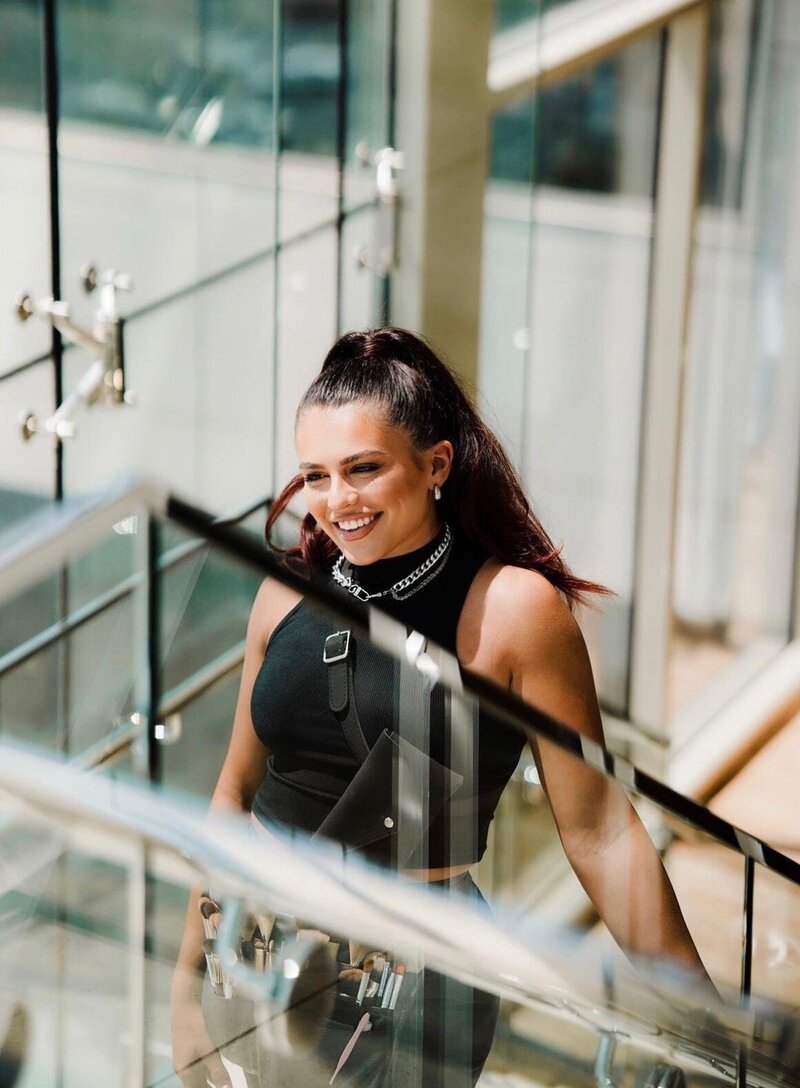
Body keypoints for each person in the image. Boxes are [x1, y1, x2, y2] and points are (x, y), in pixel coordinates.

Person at [171, 327, 715, 1088]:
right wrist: (186, 983)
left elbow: (599, 831)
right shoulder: (284, 594)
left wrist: (704, 1021)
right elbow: (234, 794)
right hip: (262, 966)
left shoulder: (515, 609)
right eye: (317, 476)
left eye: (364, 469)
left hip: (413, 989)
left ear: (436, 464)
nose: (338, 502)